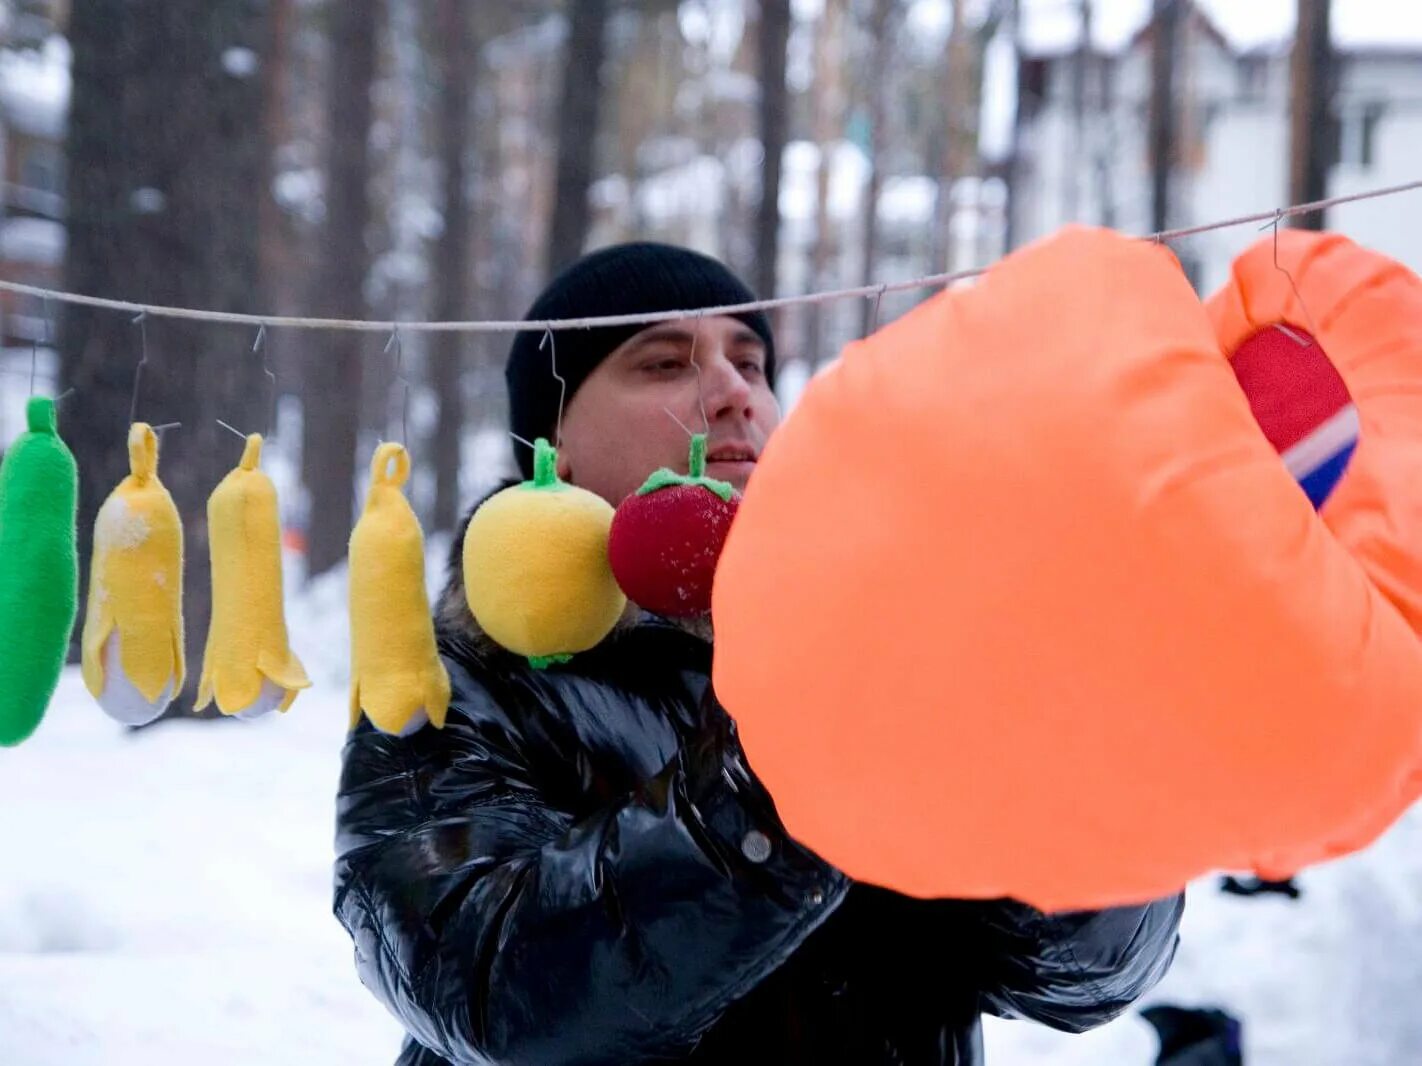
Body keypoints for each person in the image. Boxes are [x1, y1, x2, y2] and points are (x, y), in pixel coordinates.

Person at [333, 242, 1185, 1065]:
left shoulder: (896, 637)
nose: (734, 392)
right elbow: (488, 988)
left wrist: (1046, 731)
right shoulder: (458, 680)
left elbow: (1089, 978)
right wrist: (802, 751)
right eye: (665, 363)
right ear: (548, 440)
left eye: (754, 362)